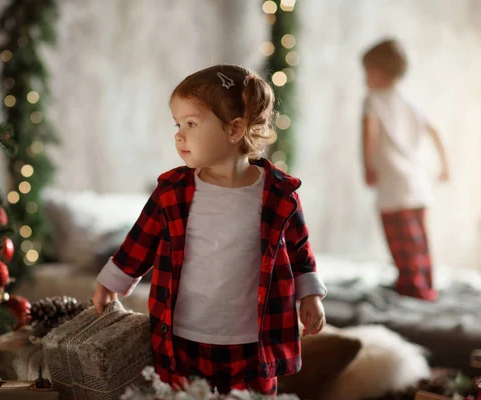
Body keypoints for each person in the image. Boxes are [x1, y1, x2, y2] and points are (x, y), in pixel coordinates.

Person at [93, 64, 327, 395]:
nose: (179, 134)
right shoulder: (172, 190)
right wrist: (110, 282)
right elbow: (141, 239)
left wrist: (311, 295)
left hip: (253, 340)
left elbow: (300, 250)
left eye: (191, 123)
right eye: (177, 124)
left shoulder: (278, 195)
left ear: (234, 129)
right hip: (184, 335)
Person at [361, 39, 449, 301]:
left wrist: (367, 165)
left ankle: (413, 288)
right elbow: (436, 132)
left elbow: (370, 135)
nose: (365, 78)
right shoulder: (410, 103)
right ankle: (425, 282)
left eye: (368, 72)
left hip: (393, 181)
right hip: (417, 179)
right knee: (419, 239)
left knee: (400, 239)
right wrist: (445, 165)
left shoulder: (373, 101)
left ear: (380, 71)